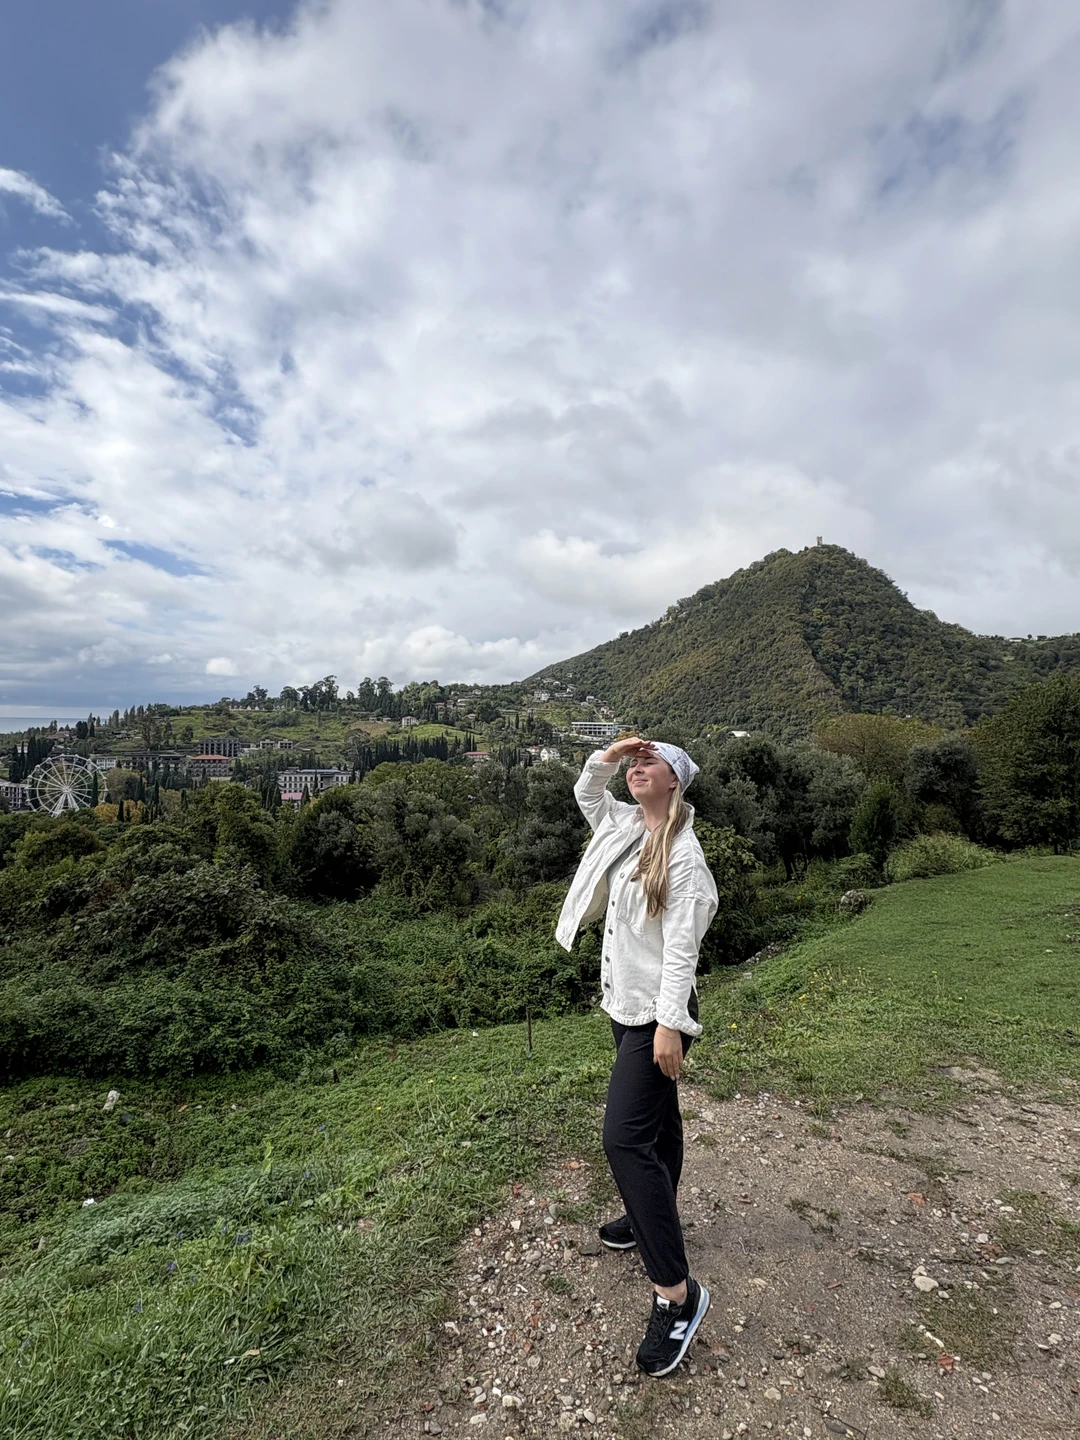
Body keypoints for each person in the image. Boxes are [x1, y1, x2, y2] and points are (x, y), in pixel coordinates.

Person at [555, 736, 718, 1378]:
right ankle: (652, 1216)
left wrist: (670, 1025)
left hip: (658, 1014)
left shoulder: (685, 858)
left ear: (674, 781)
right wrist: (612, 751)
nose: (634, 771)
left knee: (623, 1140)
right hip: (624, 1004)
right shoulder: (624, 826)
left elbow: (682, 951)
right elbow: (585, 791)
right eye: (633, 765)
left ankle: (678, 1295)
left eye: (647, 764)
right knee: (658, 1125)